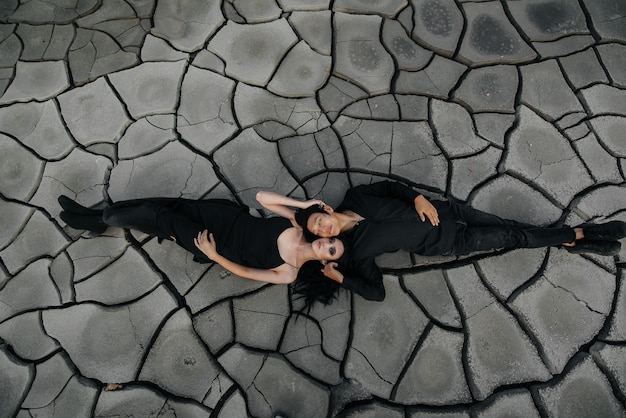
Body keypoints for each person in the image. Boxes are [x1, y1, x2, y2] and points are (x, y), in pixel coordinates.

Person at [258, 181, 626, 301]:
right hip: (452, 243)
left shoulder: (356, 197)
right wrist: (341, 278)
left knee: (513, 227)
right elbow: (376, 293)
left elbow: (391, 188)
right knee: (512, 235)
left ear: (323, 208)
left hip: (452, 211)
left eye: (320, 221)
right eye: (320, 233)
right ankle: (580, 235)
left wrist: (416, 197)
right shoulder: (355, 250)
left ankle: (571, 241)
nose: (324, 231)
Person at [57, 195, 346, 289]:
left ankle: (100, 220)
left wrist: (212, 254)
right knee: (161, 203)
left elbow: (245, 272)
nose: (327, 243)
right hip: (221, 216)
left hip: (212, 242)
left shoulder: (290, 272)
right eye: (331, 239)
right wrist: (302, 203)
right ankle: (98, 216)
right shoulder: (299, 227)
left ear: (325, 260)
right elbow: (262, 198)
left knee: (153, 215)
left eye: (331, 249)